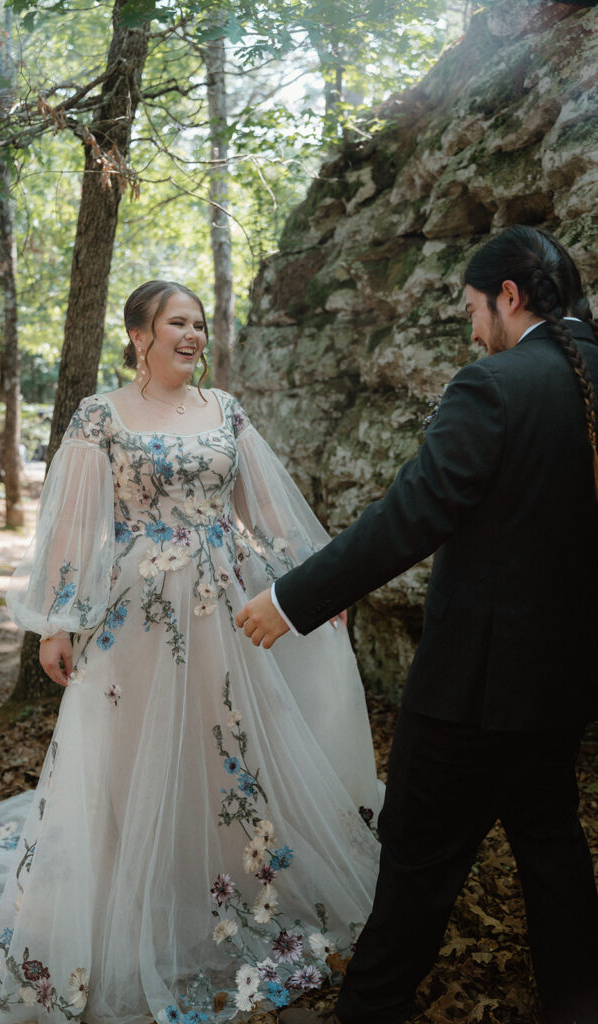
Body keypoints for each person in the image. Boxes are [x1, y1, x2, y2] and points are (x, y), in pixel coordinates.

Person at [0, 281, 383, 1024]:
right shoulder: (101, 417)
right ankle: (133, 886)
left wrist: (319, 583)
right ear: (140, 335)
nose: (193, 334)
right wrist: (58, 623)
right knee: (129, 752)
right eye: (177, 323)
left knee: (225, 741)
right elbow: (71, 525)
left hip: (226, 610)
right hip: (135, 611)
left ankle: (223, 877)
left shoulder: (224, 410)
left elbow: (262, 506)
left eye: (198, 323)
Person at [236, 226, 598, 1024]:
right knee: (549, 841)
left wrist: (288, 600)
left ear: (508, 297)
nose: (471, 329)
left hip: (472, 685)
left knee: (415, 859)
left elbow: (409, 516)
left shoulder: (493, 387)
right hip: (569, 675)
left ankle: (369, 1008)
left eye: (473, 308)